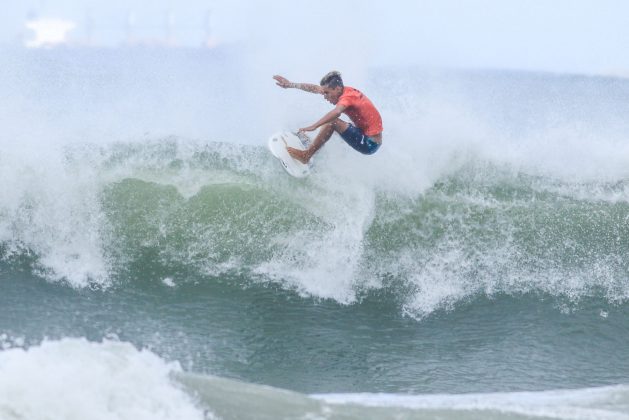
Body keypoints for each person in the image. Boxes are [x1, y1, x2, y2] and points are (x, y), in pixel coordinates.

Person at [273, 71, 383, 164]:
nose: (325, 96)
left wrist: (314, 126)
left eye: (327, 93)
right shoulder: (342, 90)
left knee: (332, 122)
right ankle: (314, 150)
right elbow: (315, 88)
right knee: (330, 127)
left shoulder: (347, 97)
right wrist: (290, 84)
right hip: (362, 133)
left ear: (337, 88)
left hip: (369, 144)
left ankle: (306, 155)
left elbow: (337, 112)